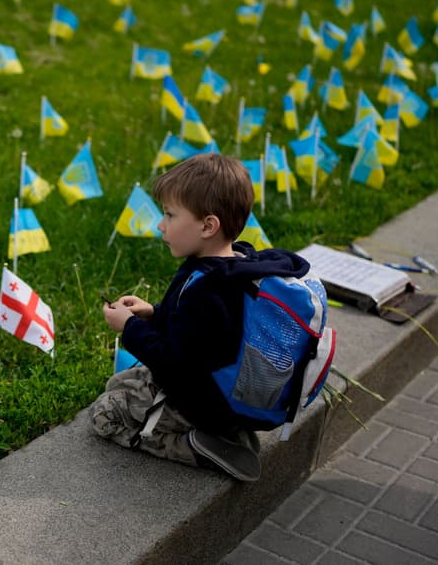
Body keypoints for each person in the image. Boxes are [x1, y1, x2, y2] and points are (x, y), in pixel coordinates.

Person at [92, 153, 311, 481]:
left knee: (105, 414)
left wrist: (130, 327)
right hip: (216, 390)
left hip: (201, 401)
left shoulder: (208, 291)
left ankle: (198, 445)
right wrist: (153, 313)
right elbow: (198, 334)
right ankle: (227, 432)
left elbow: (174, 363)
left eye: (170, 215)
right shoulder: (233, 266)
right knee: (118, 383)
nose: (160, 224)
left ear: (208, 225)